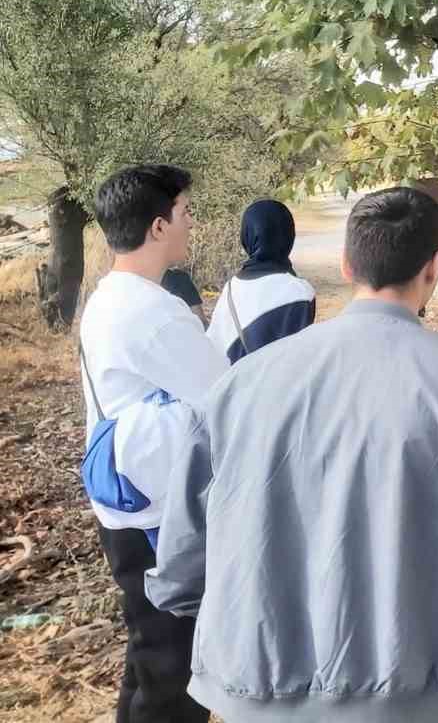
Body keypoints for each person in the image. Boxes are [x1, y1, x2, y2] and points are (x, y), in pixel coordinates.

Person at [149, 186, 438, 723]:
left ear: (346, 262)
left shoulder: (241, 384)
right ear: (433, 269)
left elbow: (183, 543)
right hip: (412, 685)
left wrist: (214, 620)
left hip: (259, 680)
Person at [78, 164, 228, 723]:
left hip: (124, 501)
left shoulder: (110, 297)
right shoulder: (154, 314)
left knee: (149, 656)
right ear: (159, 226)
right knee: (175, 670)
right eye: (186, 213)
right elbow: (226, 400)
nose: (192, 224)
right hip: (158, 517)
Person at [206, 199, 316, 363]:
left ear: (246, 236)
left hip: (239, 386)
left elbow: (215, 348)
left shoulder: (230, 288)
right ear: (289, 236)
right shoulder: (301, 292)